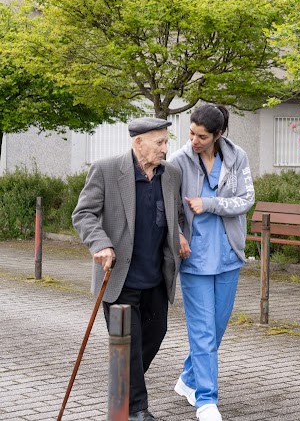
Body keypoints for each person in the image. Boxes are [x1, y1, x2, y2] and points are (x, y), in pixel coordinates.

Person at [73, 117, 185, 421]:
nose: (166, 148)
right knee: (126, 345)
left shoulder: (171, 174)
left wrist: (180, 234)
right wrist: (100, 243)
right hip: (120, 279)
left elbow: (178, 214)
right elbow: (84, 214)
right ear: (139, 143)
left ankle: (122, 391)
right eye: (159, 142)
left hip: (156, 279)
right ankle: (135, 410)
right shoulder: (107, 170)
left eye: (166, 141)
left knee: (154, 334)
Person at [168, 104, 255, 421]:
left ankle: (188, 380)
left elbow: (247, 199)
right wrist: (178, 233)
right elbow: (167, 208)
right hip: (195, 259)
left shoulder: (237, 157)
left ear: (218, 135)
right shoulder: (177, 162)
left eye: (201, 136)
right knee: (203, 332)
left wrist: (210, 204)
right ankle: (206, 401)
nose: (193, 140)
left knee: (215, 330)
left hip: (229, 255)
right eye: (191, 132)